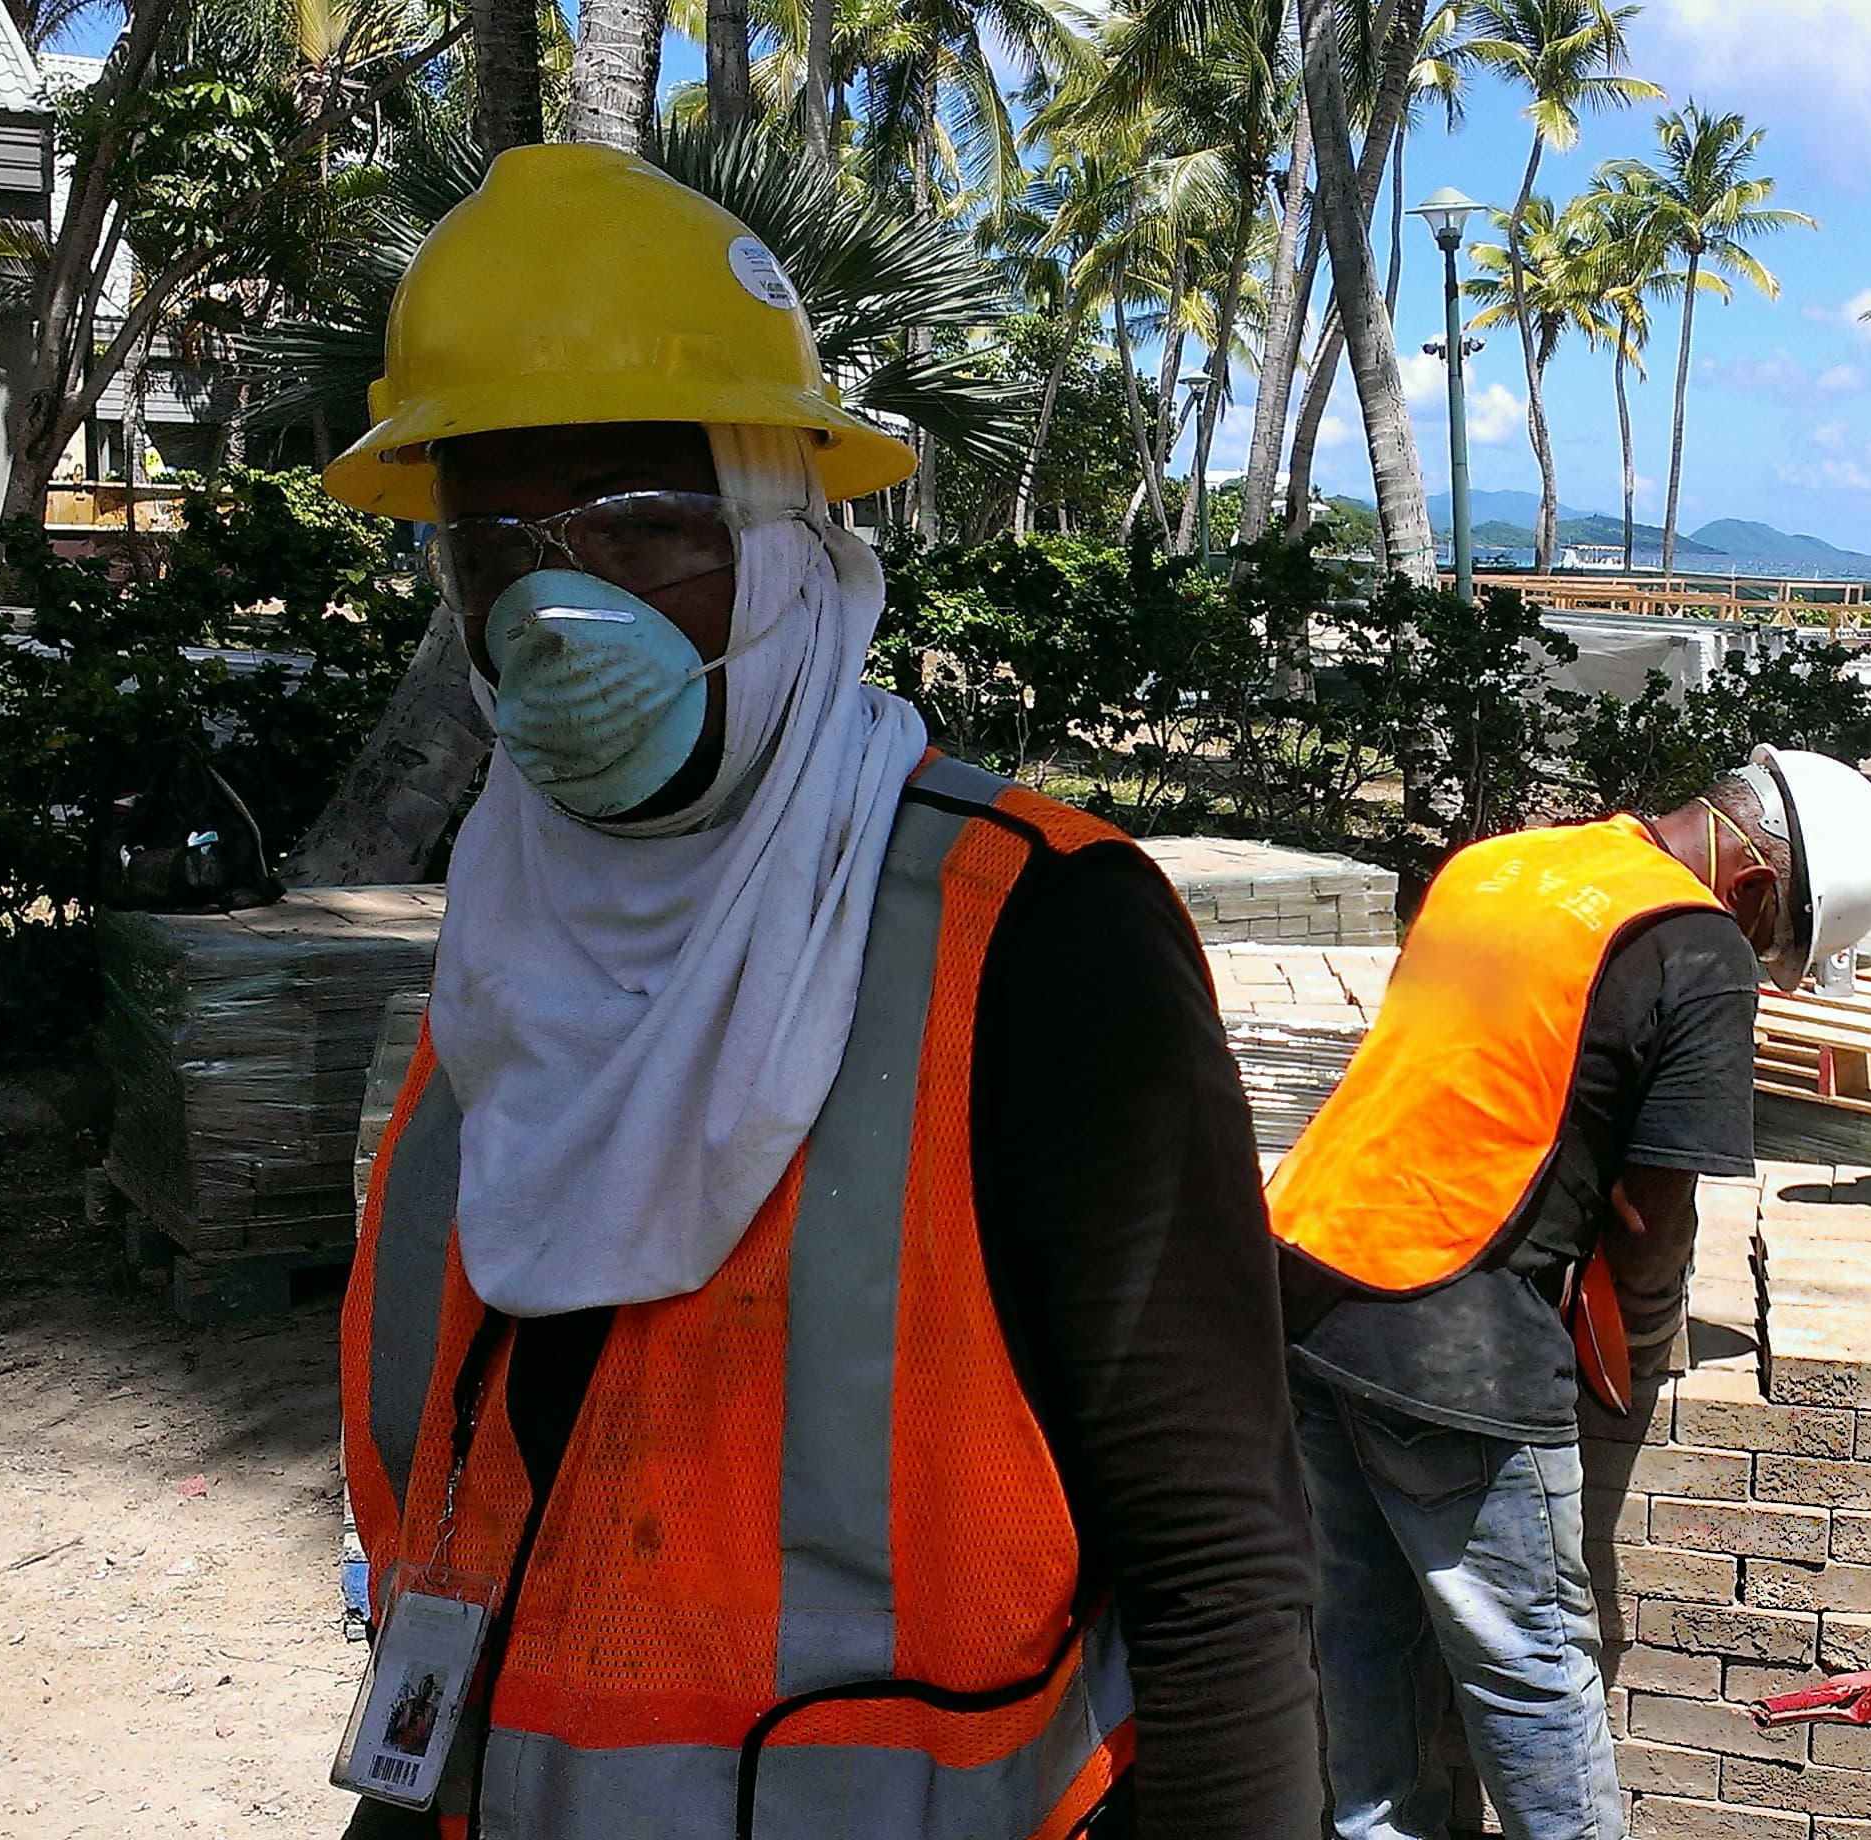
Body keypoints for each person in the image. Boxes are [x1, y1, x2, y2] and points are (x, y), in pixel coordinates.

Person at [323, 143, 1318, 1838]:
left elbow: (1216, 1560)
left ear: (791, 547)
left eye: (640, 527)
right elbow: (488, 1505)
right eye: (494, 547)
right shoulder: (510, 936)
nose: (557, 611)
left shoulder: (1034, 936)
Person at [1268, 750, 1871, 1840]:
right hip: (1445, 1329)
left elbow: (1465, 1079)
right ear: (1756, 889)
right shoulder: (1697, 942)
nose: (1758, 958)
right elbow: (1653, 1215)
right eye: (1774, 942)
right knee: (1533, 1667)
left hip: (1302, 1271)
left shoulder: (1504, 863)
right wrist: (1642, 1347)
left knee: (1361, 1622)